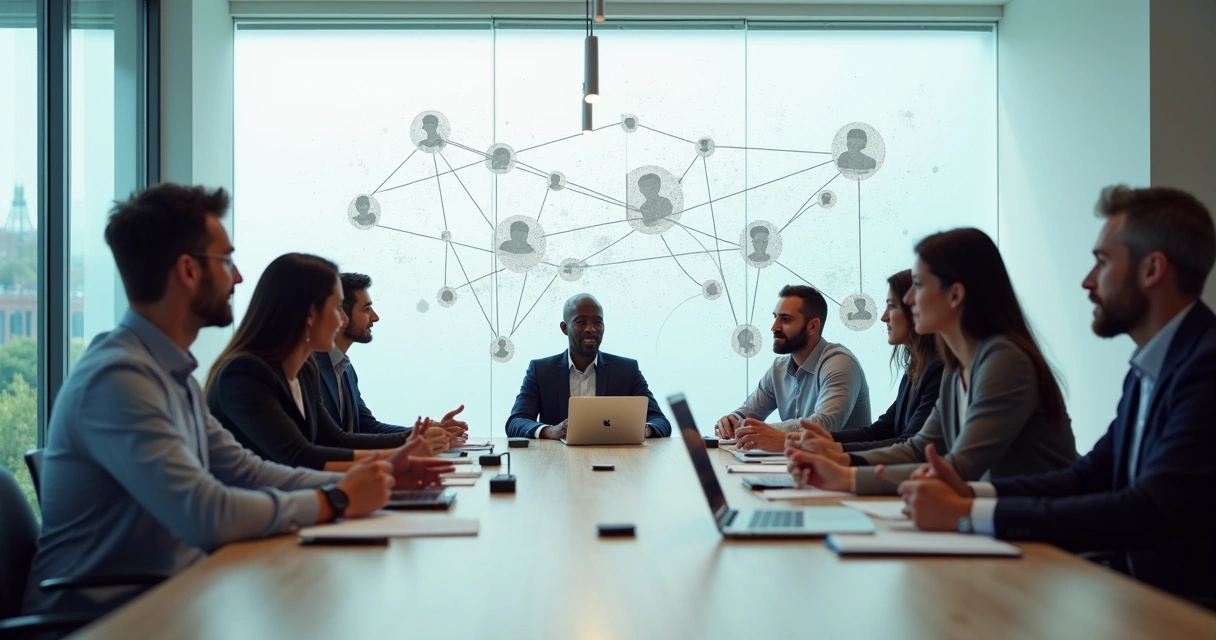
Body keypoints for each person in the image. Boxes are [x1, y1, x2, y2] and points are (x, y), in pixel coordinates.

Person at [24, 184, 450, 618]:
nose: (240, 277)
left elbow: (246, 471)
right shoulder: (119, 380)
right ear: (188, 271)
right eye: (226, 260)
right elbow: (205, 511)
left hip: (175, 597)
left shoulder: (167, 373)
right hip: (104, 619)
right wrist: (336, 499)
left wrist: (371, 477)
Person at [897, 186, 1216, 605]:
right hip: (1132, 595)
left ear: (1152, 269)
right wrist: (970, 494)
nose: (1087, 280)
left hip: (1183, 613)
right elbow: (1088, 476)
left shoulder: (1205, 366)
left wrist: (967, 514)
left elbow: (1148, 509)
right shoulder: (1150, 367)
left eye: (1102, 262)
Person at [787, 228, 1078, 495]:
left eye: (918, 285)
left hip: (1040, 527)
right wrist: (841, 459)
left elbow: (959, 467)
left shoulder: (1005, 361)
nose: (908, 299)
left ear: (955, 295)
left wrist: (845, 475)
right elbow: (918, 449)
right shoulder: (957, 367)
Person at [207, 253, 449, 471]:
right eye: (337, 308)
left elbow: (335, 439)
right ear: (310, 314)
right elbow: (298, 456)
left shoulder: (305, 370)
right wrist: (402, 454)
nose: (342, 320)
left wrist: (415, 440)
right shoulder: (244, 373)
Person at [791, 270, 943, 454]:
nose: (884, 317)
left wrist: (831, 448)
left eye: (892, 306)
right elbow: (880, 431)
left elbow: (910, 445)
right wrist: (824, 439)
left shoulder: (938, 370)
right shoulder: (915, 369)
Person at [314, 273, 467, 443]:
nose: (375, 317)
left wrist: (425, 432)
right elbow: (329, 441)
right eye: (366, 309)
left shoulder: (345, 368)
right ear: (340, 314)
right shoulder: (309, 368)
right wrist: (417, 439)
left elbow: (368, 427)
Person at [716, 285, 871, 451]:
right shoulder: (779, 368)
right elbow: (747, 413)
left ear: (812, 326)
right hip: (800, 462)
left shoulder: (840, 363)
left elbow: (823, 426)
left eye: (786, 319)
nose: (774, 327)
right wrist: (732, 421)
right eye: (775, 317)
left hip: (844, 465)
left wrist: (759, 431)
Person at [505, 293, 671, 439]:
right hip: (558, 460)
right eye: (581, 322)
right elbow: (516, 422)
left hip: (615, 459)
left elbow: (660, 421)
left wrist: (643, 429)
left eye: (597, 322)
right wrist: (550, 431)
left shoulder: (627, 370)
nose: (591, 329)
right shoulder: (541, 371)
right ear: (564, 328)